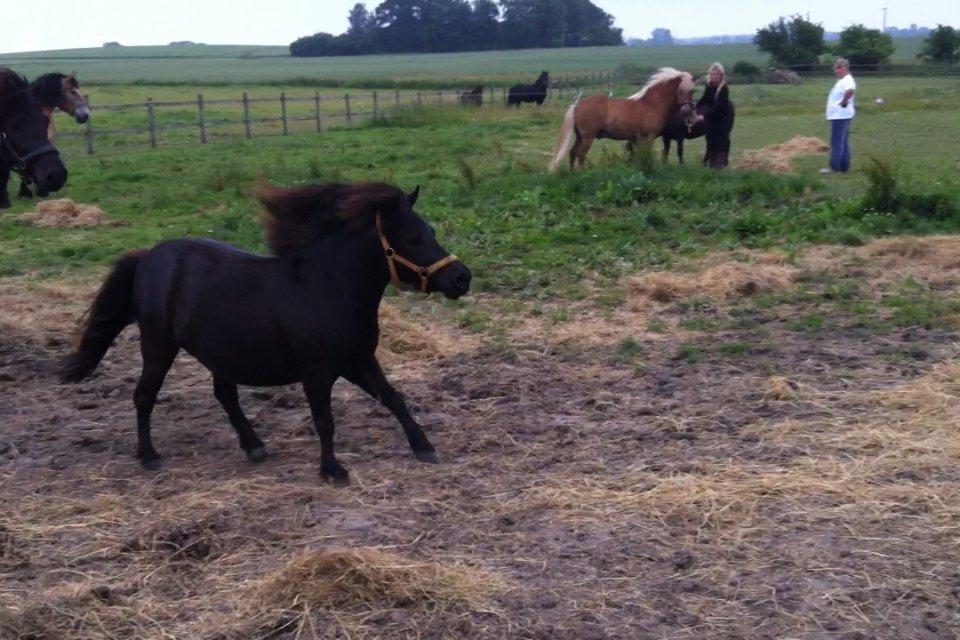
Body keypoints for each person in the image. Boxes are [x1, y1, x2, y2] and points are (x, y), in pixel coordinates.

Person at [695, 62, 735, 169]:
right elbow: (704, 100)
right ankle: (712, 165)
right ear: (709, 75)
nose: (714, 76)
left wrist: (703, 115)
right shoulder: (709, 86)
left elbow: (718, 106)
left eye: (717, 74)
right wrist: (695, 110)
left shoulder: (724, 89)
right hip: (712, 119)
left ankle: (721, 164)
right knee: (710, 140)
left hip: (723, 119)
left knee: (721, 140)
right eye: (712, 74)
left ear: (721, 76)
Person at [822, 58, 856, 174]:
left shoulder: (847, 80)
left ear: (845, 68)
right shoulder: (842, 80)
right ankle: (844, 166)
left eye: (838, 68)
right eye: (835, 68)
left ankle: (834, 167)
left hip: (840, 115)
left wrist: (844, 101)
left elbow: (850, 90)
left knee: (836, 141)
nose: (836, 71)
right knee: (843, 140)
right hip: (841, 115)